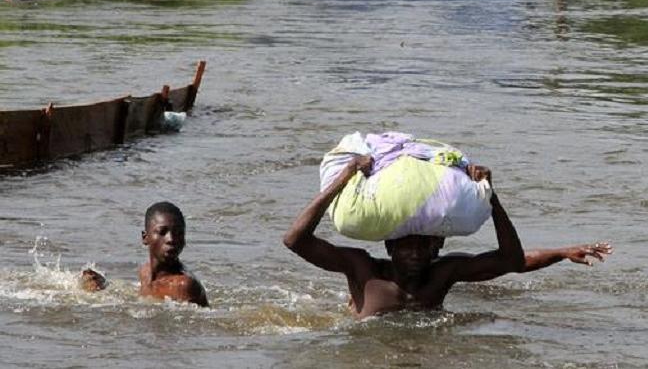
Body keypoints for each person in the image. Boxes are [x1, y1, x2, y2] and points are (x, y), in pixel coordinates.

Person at [283, 156, 612, 319]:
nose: (415, 253)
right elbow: (295, 240)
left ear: (438, 245)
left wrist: (490, 196)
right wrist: (345, 176)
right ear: (388, 245)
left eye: (424, 244)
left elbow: (512, 261)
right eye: (406, 245)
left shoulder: (444, 272)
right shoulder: (363, 269)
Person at [138, 201, 209, 307]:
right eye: (162, 232)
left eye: (178, 233)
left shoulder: (182, 286)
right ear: (145, 237)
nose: (171, 239)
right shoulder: (145, 272)